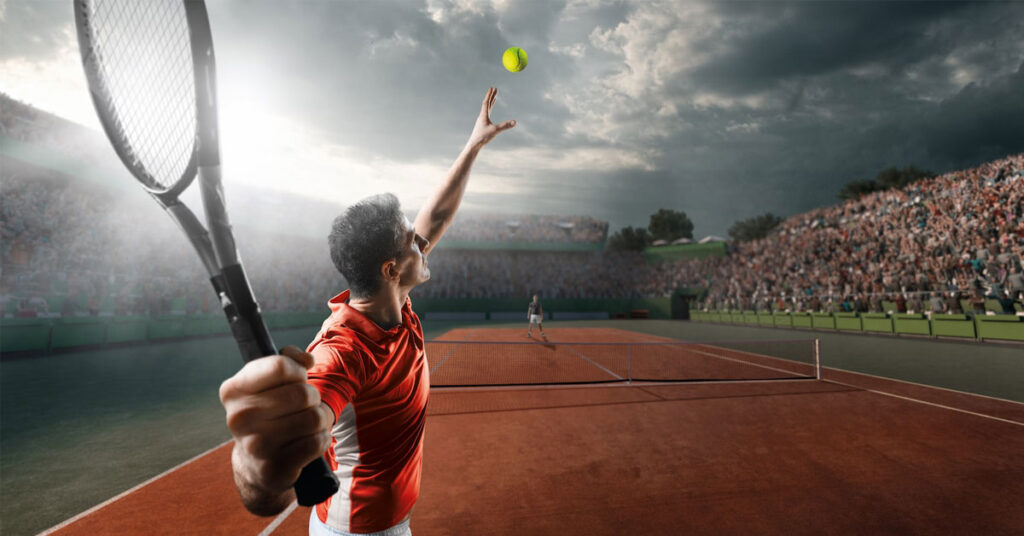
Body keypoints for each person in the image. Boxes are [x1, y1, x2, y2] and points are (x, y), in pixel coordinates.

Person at [218, 87, 515, 535]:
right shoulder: (344, 349)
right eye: (412, 240)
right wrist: (257, 463)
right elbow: (272, 476)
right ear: (392, 269)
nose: (423, 241)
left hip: (385, 523)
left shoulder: (391, 301)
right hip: (358, 530)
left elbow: (436, 216)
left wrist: (473, 145)